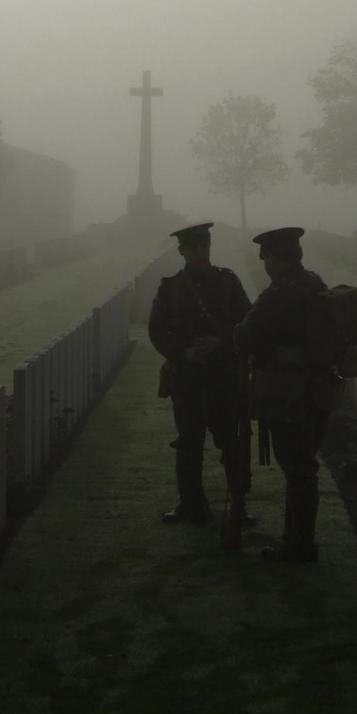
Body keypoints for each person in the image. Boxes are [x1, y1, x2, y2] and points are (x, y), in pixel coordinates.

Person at [234, 227, 330, 563]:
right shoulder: (315, 283)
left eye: (267, 258)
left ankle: (298, 546)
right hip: (318, 390)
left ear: (276, 258)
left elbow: (244, 335)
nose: (265, 264)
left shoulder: (279, 294)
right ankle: (298, 540)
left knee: (297, 469)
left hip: (287, 393)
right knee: (304, 466)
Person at [148, 222, 253, 525]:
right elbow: (157, 330)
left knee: (230, 442)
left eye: (204, 247)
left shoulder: (228, 282)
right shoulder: (170, 288)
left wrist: (221, 340)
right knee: (189, 443)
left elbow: (246, 321)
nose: (200, 253)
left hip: (224, 376)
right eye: (193, 248)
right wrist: (183, 352)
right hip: (187, 378)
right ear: (182, 251)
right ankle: (191, 504)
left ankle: (238, 505)